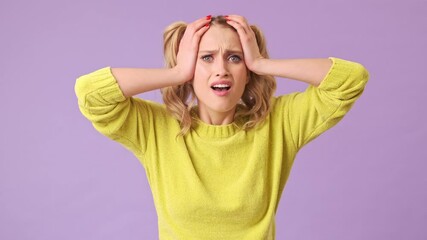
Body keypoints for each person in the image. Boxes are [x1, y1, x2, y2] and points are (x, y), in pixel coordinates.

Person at [75, 15, 369, 240]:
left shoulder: (278, 124)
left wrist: (262, 63)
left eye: (234, 57)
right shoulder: (157, 129)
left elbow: (350, 79)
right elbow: (91, 93)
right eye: (206, 57)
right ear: (191, 68)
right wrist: (177, 72)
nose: (221, 70)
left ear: (247, 72)